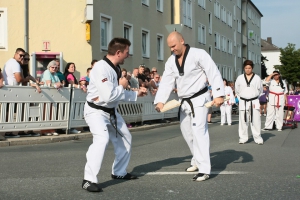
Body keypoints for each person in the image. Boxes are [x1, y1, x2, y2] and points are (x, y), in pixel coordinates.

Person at [154, 32, 224, 182]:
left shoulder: (199, 54)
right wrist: (160, 101)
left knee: (199, 131)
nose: (172, 49)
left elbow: (213, 72)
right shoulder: (171, 61)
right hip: (184, 101)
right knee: (187, 132)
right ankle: (196, 161)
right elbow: (167, 81)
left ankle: (204, 169)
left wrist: (218, 94)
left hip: (200, 98)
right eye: (170, 47)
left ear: (182, 40)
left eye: (174, 46)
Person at [82, 37, 147, 192]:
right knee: (102, 139)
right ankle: (88, 179)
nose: (128, 55)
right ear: (118, 52)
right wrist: (122, 85)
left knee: (125, 138)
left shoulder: (116, 68)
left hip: (110, 111)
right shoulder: (100, 68)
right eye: (126, 52)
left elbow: (116, 94)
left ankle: (118, 172)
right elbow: (109, 96)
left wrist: (135, 94)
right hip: (96, 111)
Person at [235, 60, 264, 145]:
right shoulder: (240, 78)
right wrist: (240, 98)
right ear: (244, 68)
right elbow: (237, 90)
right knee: (243, 120)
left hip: (254, 100)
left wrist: (254, 97)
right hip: (243, 100)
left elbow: (260, 90)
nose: (248, 70)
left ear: (252, 68)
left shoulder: (257, 78)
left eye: (249, 68)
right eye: (246, 68)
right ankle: (243, 138)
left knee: (255, 120)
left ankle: (258, 137)